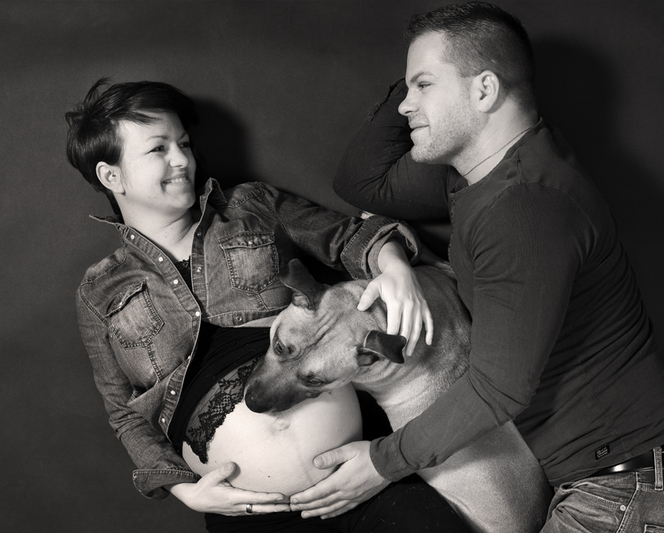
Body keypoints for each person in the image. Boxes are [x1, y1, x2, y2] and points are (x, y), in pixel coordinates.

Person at [289, 3, 664, 532]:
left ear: (485, 90)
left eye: (423, 85)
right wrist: (430, 73)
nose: (404, 105)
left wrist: (381, 463)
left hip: (627, 491)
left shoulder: (525, 207)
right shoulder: (480, 174)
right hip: (614, 485)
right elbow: (362, 182)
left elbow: (498, 388)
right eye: (407, 87)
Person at [67, 79, 469, 532]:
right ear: (112, 176)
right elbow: (124, 411)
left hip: (358, 476)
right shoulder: (98, 290)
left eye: (184, 144)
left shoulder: (251, 205)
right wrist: (184, 490)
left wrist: (395, 267)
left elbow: (348, 238)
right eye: (159, 148)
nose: (182, 160)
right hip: (251, 513)